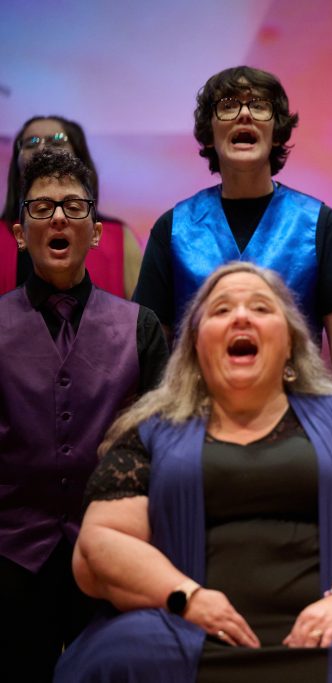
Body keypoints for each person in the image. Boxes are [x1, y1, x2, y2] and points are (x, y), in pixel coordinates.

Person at [56, 262, 332, 682]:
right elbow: (100, 543)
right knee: (117, 654)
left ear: (290, 344)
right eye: (222, 310)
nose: (241, 316)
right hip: (180, 624)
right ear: (193, 346)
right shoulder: (149, 432)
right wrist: (185, 597)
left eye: (261, 308)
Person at [0, 149, 168, 681]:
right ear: (19, 233)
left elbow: (162, 443)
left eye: (74, 208)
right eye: (42, 207)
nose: (58, 218)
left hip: (113, 552)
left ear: (96, 233)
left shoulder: (140, 327)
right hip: (10, 560)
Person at [133, 66, 332, 396]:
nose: (244, 114)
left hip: (298, 424)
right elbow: (152, 358)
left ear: (277, 132)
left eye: (259, 105)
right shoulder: (172, 229)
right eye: (229, 105)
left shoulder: (321, 225)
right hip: (195, 423)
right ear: (210, 132)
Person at [2, 115, 143, 297]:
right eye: (31, 142)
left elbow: (138, 316)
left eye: (57, 140)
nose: (42, 148)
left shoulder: (119, 238)